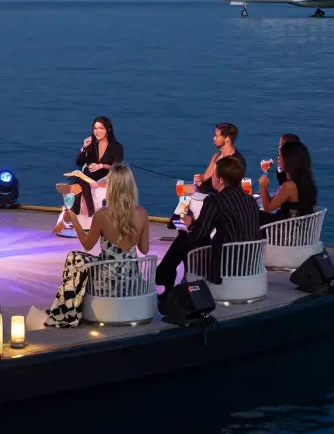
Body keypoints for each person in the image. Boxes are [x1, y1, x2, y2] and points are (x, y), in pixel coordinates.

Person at [44, 164, 150, 328]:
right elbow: (144, 249)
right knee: (81, 258)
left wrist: (74, 221)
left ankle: (66, 309)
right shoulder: (142, 213)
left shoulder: (102, 214)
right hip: (131, 279)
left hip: (106, 280)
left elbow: (87, 245)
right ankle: (65, 308)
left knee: (75, 257)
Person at [156, 155, 261, 303]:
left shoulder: (215, 200)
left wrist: (188, 225)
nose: (211, 177)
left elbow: (199, 236)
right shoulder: (250, 200)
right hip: (249, 263)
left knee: (185, 238)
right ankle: (168, 278)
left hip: (225, 264)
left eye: (214, 174)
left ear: (221, 180)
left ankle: (165, 277)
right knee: (187, 237)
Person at [55, 116, 124, 217]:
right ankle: (83, 209)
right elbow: (78, 162)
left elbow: (117, 167)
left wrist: (101, 166)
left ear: (108, 130)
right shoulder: (92, 144)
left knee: (80, 179)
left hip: (104, 176)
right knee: (81, 177)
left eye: (101, 128)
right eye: (95, 128)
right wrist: (84, 147)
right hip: (89, 175)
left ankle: (79, 206)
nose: (97, 131)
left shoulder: (116, 147)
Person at [258, 140, 317, 221]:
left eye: (279, 157)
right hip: (300, 227)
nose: (277, 160)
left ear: (289, 161)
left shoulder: (289, 186)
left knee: (253, 214)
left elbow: (268, 208)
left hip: (287, 229)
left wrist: (262, 187)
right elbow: (272, 202)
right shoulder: (304, 181)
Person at [194, 122, 246, 195]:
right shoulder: (216, 156)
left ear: (227, 138)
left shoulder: (235, 162)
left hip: (217, 196)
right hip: (205, 190)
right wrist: (199, 178)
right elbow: (205, 177)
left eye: (217, 136)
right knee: (181, 187)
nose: (214, 138)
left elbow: (227, 187)